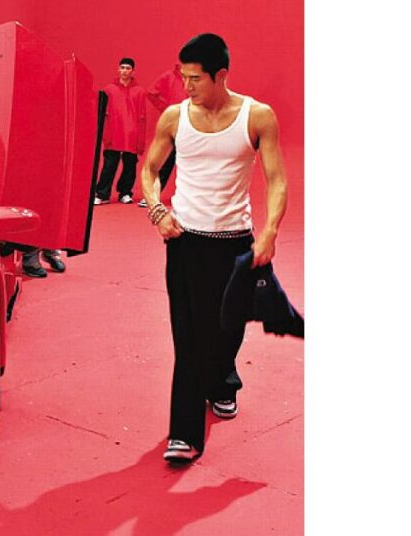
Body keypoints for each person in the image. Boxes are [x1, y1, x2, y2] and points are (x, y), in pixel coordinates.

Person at [139, 34, 288, 463]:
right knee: (187, 337)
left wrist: (271, 231)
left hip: (234, 242)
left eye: (196, 79)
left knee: (226, 331)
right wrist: (157, 211)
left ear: (221, 75)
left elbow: (276, 178)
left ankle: (223, 379)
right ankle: (184, 433)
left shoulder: (257, 117)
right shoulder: (173, 117)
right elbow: (149, 171)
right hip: (184, 240)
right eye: (182, 77)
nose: (186, 86)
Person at [94, 58, 147, 205]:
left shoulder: (140, 92)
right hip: (114, 132)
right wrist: (104, 134)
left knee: (130, 165)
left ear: (133, 71)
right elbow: (102, 114)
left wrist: (140, 139)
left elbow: (142, 117)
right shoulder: (108, 90)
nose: (124, 71)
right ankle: (102, 194)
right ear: (118, 70)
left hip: (132, 134)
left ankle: (125, 193)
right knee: (109, 164)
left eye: (128, 68)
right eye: (122, 67)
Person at [140, 63, 188, 208]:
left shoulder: (195, 76)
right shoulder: (169, 76)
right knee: (164, 160)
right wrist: (166, 108)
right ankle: (152, 196)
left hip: (191, 124)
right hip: (173, 124)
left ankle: (189, 198)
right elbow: (152, 93)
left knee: (190, 162)